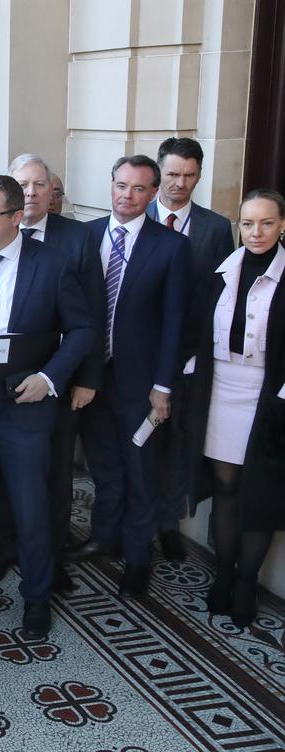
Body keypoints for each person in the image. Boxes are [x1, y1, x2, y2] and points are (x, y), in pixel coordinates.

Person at [0, 176, 95, 639]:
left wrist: (49, 378)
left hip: (23, 405)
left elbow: (84, 330)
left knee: (31, 502)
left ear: (15, 217)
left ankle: (36, 595)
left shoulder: (52, 264)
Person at [72, 156, 192, 599]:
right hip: (90, 378)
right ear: (111, 185)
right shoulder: (85, 236)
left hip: (141, 385)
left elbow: (176, 323)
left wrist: (164, 386)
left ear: (154, 193)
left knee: (141, 471)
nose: (128, 195)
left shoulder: (171, 247)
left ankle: (138, 557)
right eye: (122, 185)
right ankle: (105, 536)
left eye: (140, 189)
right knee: (103, 466)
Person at [0, 154, 102, 591]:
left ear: (53, 191)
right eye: (23, 185)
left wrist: (85, 378)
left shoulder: (75, 240)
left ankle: (50, 559)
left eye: (39, 185)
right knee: (1, 477)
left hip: (55, 384)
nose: (31, 192)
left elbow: (89, 314)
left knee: (52, 478)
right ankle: (5, 548)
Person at [186, 189, 285, 627]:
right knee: (225, 486)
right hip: (222, 390)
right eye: (248, 223)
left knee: (258, 492)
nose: (256, 232)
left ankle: (247, 581)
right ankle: (223, 574)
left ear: (283, 225)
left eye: (266, 222)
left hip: (269, 396)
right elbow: (198, 334)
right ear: (238, 226)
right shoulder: (220, 272)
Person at [146, 137, 236, 562]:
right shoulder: (135, 214)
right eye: (173, 174)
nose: (180, 183)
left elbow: (218, 297)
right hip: (137, 357)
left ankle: (167, 524)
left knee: (175, 444)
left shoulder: (216, 228)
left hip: (187, 360)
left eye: (189, 175)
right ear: (159, 172)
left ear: (199, 175)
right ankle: (133, 526)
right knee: (137, 446)